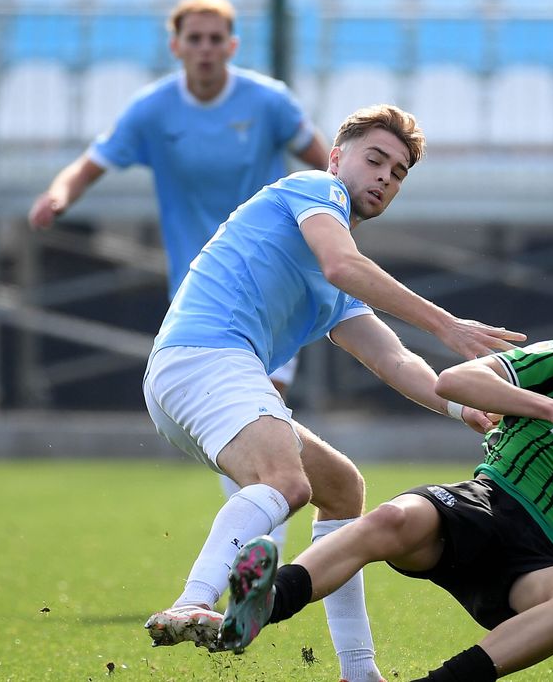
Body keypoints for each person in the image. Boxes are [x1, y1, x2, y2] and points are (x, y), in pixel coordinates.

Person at [141, 104, 525, 682]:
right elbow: (344, 264)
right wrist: (448, 325)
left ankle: (359, 673)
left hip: (199, 377)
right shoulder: (314, 189)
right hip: (203, 358)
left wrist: (461, 404)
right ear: (337, 156)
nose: (384, 178)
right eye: (375, 160)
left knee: (342, 488)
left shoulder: (337, 287)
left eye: (397, 174)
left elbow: (392, 358)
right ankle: (195, 601)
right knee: (285, 482)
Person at [223, 273, 553, 682]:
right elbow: (456, 381)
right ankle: (263, 606)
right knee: (392, 517)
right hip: (479, 503)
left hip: (533, 567)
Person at [28, 0, 329, 554]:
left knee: (259, 407)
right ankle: (261, 552)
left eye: (217, 39)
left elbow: (329, 164)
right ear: (177, 46)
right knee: (244, 420)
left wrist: (339, 221)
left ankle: (261, 553)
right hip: (204, 292)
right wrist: (59, 194)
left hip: (278, 280)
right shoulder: (153, 109)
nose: (206, 48)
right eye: (195, 38)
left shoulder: (268, 103)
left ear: (232, 46)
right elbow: (90, 164)